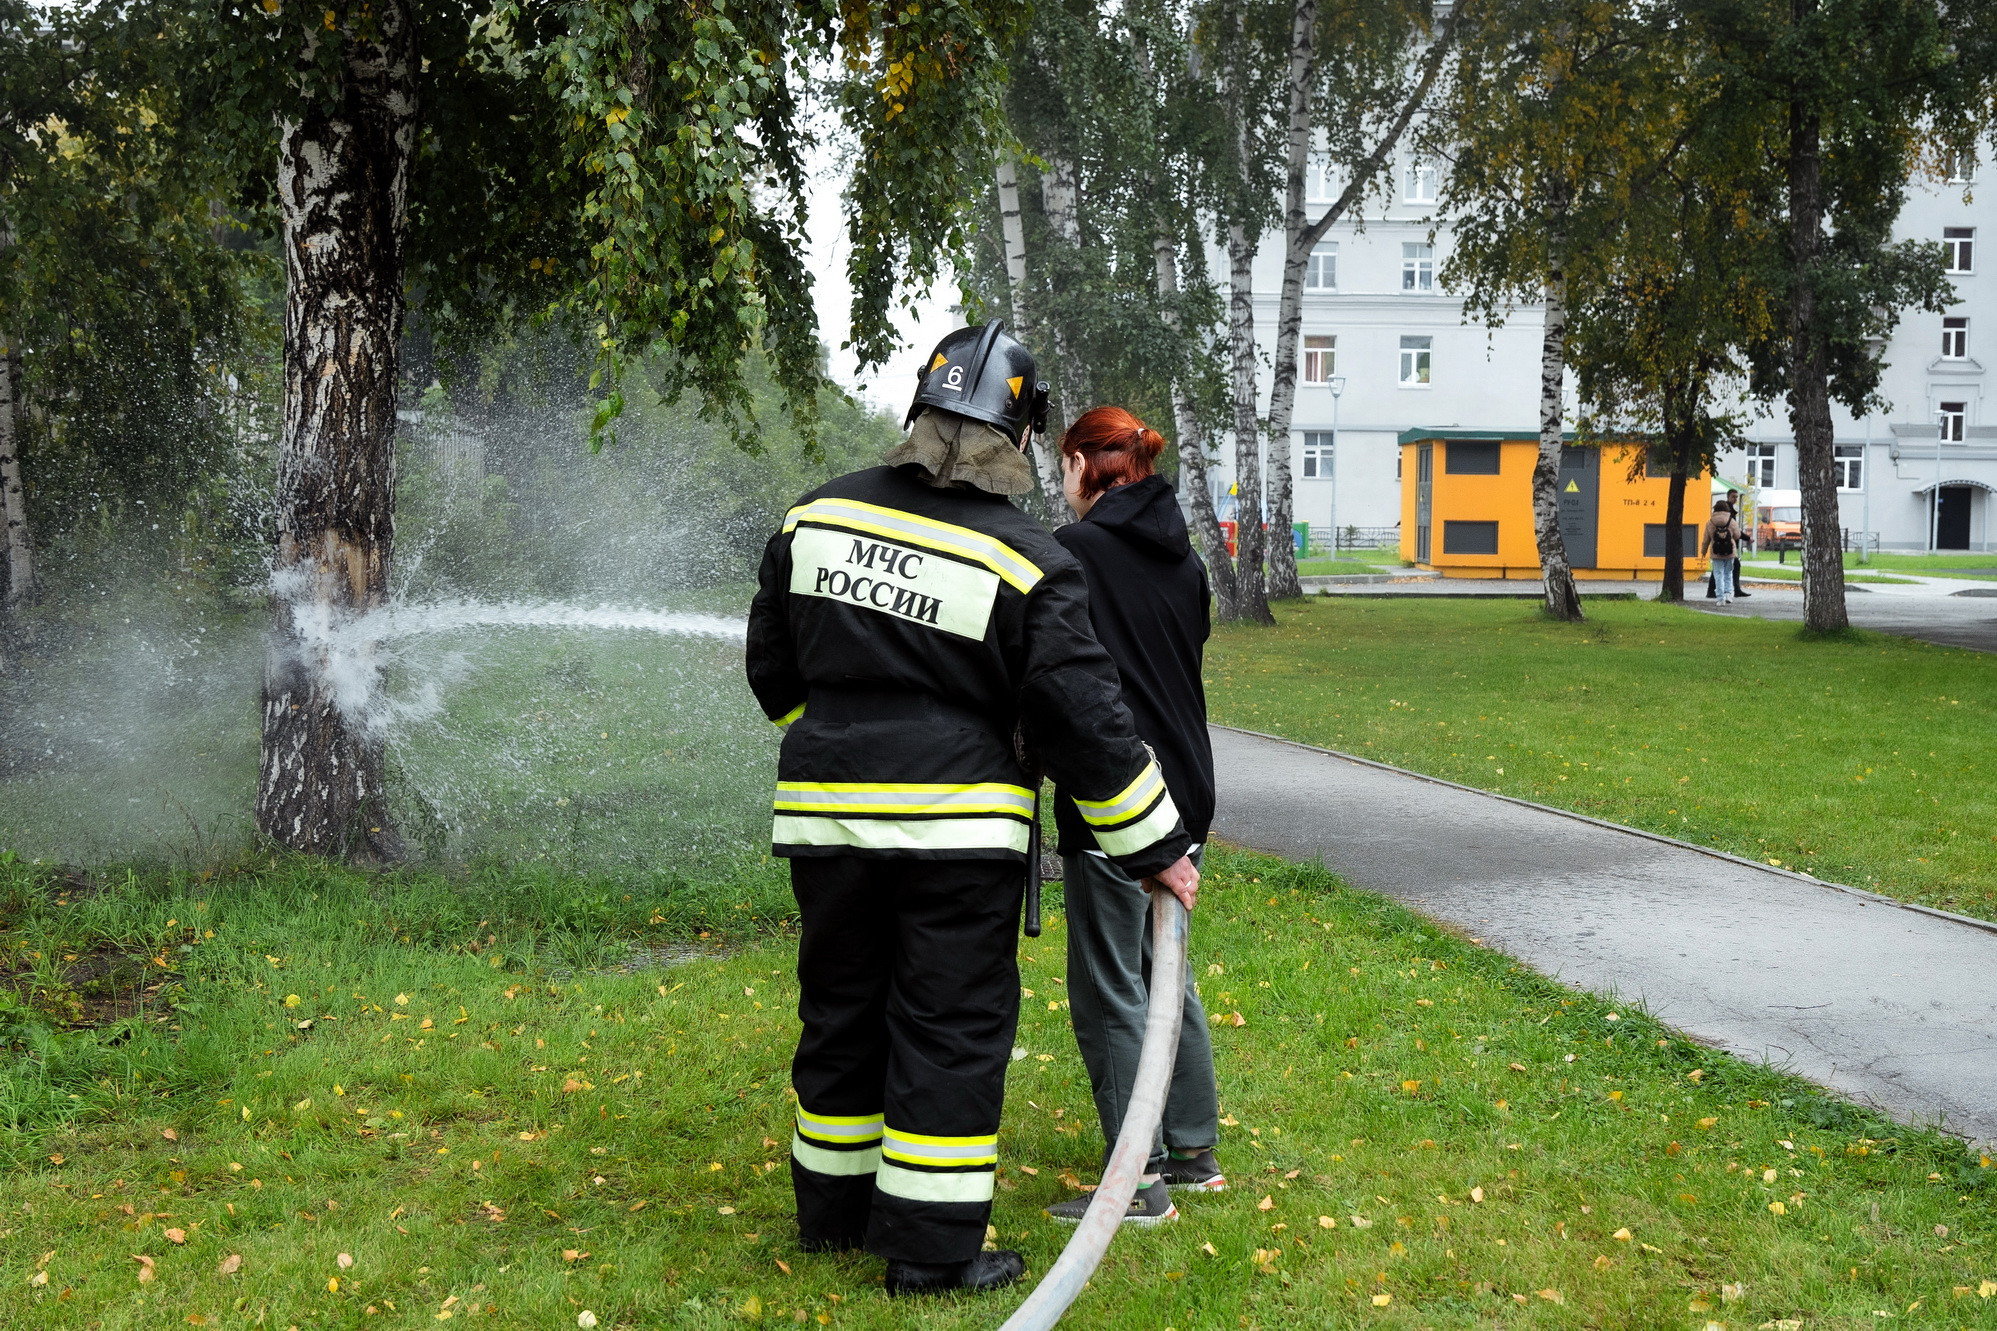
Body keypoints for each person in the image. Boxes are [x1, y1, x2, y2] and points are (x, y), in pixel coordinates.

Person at [744, 322, 1201, 1297]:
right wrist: (1155, 843)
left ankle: (829, 1216)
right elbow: (1083, 718)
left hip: (825, 823)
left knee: (840, 1012)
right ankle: (930, 1249)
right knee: (947, 1025)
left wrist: (836, 746)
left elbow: (773, 672)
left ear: (919, 409)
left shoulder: (812, 518)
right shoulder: (1027, 556)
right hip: (955, 838)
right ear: (1023, 435)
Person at [1039, 407, 1225, 1231]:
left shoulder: (1073, 553)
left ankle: (1136, 1178)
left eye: (1062, 464)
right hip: (1187, 787)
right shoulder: (1183, 559)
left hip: (1118, 793)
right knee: (1164, 973)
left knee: (1109, 984)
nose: (1060, 481)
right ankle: (1191, 1152)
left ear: (1083, 464)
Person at [1706, 489, 1751, 599]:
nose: (1735, 499)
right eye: (1733, 497)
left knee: (1719, 569)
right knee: (1728, 569)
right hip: (1728, 545)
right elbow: (1736, 531)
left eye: (1736, 497)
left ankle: (1713, 591)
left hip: (1719, 545)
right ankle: (1732, 590)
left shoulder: (1720, 514)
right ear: (1728, 497)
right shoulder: (1728, 512)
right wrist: (1747, 538)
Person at [1701, 498, 1743, 606]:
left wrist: (1703, 552)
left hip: (1716, 552)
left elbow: (1706, 539)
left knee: (1718, 574)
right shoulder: (1731, 521)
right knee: (1728, 573)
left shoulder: (1710, 522)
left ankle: (1720, 598)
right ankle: (1728, 594)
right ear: (1726, 509)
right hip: (1730, 552)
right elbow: (1737, 535)